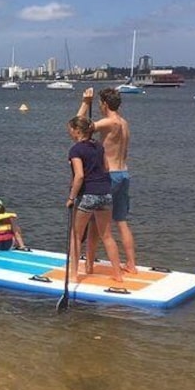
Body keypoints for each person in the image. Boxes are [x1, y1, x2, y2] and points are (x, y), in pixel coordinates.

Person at [77, 87, 137, 273]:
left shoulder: (108, 122)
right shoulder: (124, 123)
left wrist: (85, 103)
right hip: (124, 173)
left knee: (96, 221)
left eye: (99, 104)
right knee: (121, 220)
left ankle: (89, 265)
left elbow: (78, 127)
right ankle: (131, 264)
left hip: (109, 175)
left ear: (103, 104)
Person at [65, 116, 123, 283]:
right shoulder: (99, 146)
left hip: (88, 195)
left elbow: (79, 176)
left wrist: (71, 197)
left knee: (76, 235)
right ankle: (118, 274)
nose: (69, 132)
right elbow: (106, 167)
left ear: (77, 131)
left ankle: (74, 275)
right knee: (107, 236)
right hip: (105, 194)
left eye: (70, 129)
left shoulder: (75, 150)